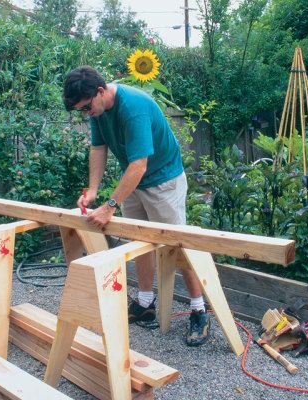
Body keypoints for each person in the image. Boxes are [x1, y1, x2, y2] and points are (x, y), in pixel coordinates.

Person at [63, 66, 210, 346]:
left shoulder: (134, 108)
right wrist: (93, 191)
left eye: (86, 107)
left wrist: (109, 206)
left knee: (176, 244)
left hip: (163, 180)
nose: (86, 114)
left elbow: (140, 164)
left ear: (100, 92)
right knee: (138, 240)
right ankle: (145, 305)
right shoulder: (98, 109)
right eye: (81, 110)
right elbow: (98, 149)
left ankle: (199, 309)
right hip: (133, 180)